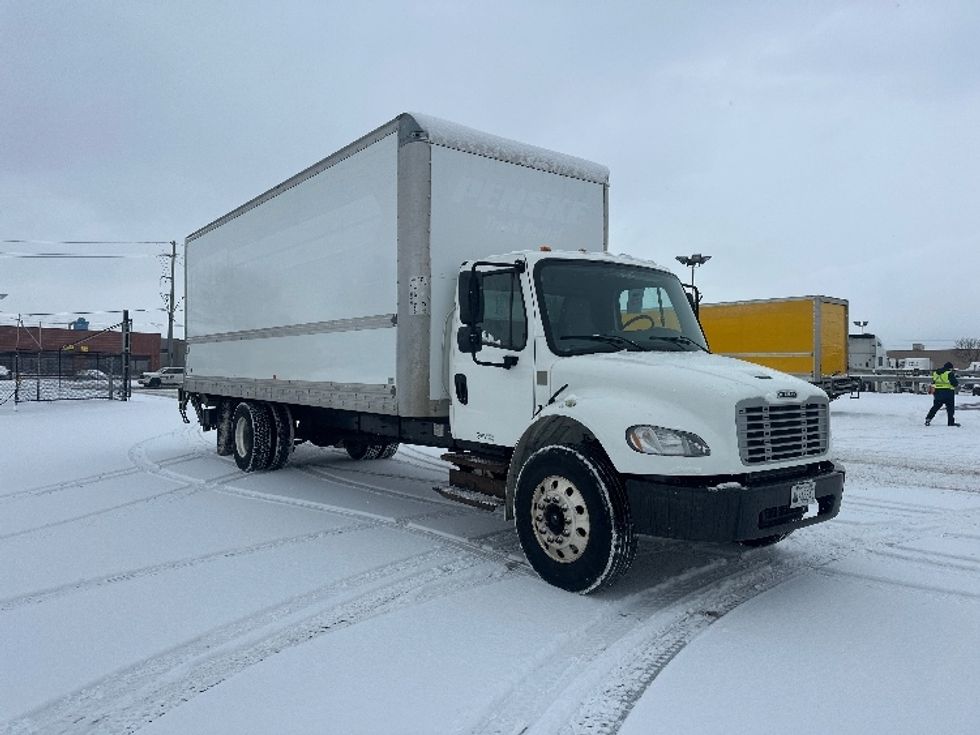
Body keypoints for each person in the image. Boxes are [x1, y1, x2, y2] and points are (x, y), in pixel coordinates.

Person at [925, 361, 960, 426]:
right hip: (948, 393)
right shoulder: (949, 373)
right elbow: (955, 383)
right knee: (950, 408)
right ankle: (950, 422)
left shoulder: (936, 373)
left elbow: (934, 381)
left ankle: (928, 419)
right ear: (950, 368)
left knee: (935, 407)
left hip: (938, 392)